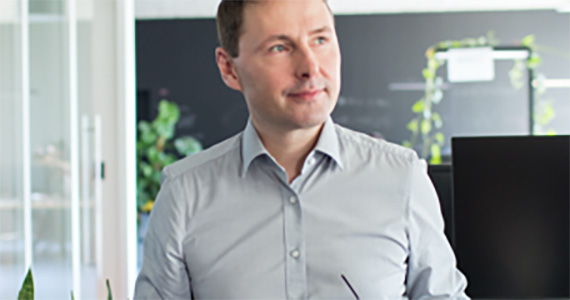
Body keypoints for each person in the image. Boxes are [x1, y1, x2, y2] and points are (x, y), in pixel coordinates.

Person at [134, 0, 469, 298]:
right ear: (229, 68)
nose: (310, 67)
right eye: (280, 47)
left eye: (320, 40)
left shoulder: (402, 177)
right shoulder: (184, 194)